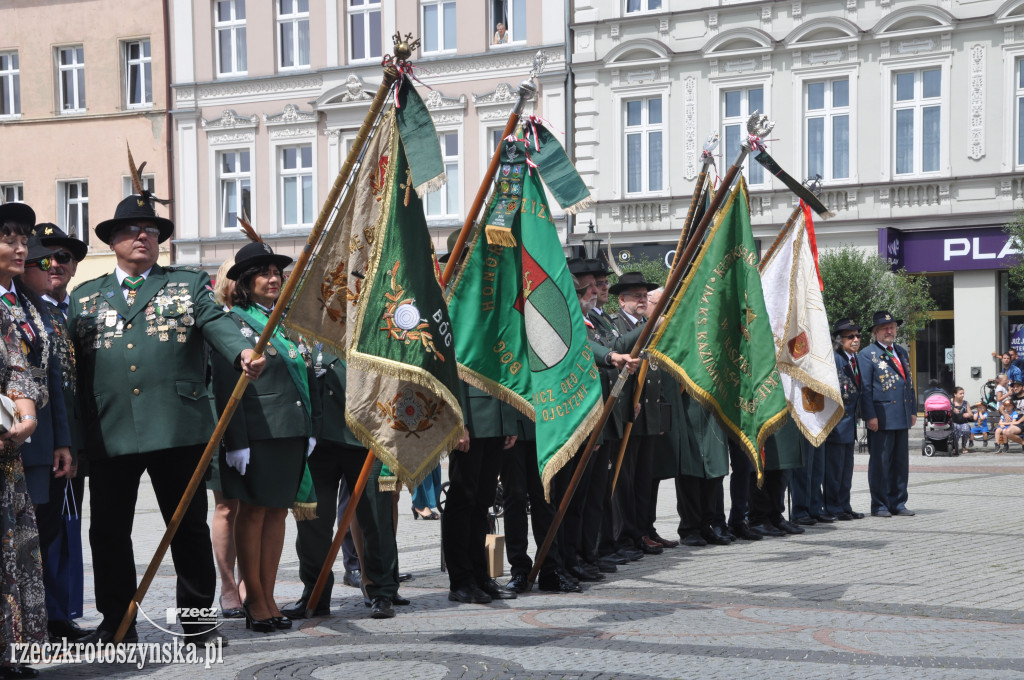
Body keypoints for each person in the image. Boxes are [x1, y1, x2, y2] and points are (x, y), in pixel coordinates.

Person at [69, 193, 264, 644]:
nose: (144, 237)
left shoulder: (187, 283)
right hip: (110, 429)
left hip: (177, 426)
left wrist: (244, 353)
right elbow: (74, 372)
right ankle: (117, 621)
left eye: (152, 232)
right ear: (113, 241)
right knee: (109, 533)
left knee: (188, 527)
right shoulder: (85, 297)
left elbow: (219, 325)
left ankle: (197, 621)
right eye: (133, 231)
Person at [210, 242, 320, 632]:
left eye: (277, 272)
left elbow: (305, 377)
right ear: (244, 281)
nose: (273, 279)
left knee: (277, 513)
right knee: (253, 512)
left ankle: (269, 595)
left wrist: (309, 428)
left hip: (289, 434)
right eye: (263, 273)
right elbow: (227, 385)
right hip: (256, 437)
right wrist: (236, 440)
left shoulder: (285, 322)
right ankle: (253, 598)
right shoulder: (232, 322)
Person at [280, 347, 405, 621]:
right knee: (312, 520)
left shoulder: (367, 318)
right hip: (318, 436)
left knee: (375, 517)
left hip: (364, 435)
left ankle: (381, 591)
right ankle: (315, 592)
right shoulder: (305, 318)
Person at [35, 222, 91, 640]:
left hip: (78, 439)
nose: (54, 263)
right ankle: (52, 616)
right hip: (43, 441)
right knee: (46, 530)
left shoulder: (81, 309)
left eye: (64, 257)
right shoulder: (29, 310)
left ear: (73, 267)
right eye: (46, 257)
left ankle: (64, 611)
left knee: (68, 525)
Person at [0, 203, 48, 679]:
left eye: (21, 239)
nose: (20, 248)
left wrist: (27, 415)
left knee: (12, 553)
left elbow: (19, 367)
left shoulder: (12, 309)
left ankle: (10, 650)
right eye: (9, 238)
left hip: (4, 454)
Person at [609, 272, 664, 558]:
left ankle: (644, 529)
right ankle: (625, 535)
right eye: (637, 296)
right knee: (625, 478)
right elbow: (619, 353)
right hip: (627, 410)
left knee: (645, 477)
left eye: (645, 296)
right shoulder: (616, 326)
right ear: (622, 300)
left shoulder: (646, 324)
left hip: (648, 412)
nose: (643, 300)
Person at [208, 259, 244, 619]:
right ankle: (228, 584)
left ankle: (253, 583)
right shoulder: (214, 317)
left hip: (262, 425)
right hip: (222, 421)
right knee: (227, 507)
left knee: (258, 508)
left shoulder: (264, 318)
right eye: (232, 275)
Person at [858, 310, 917, 518]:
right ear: (875, 332)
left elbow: (908, 383)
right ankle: (880, 504)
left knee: (901, 463)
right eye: (885, 328)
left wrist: (912, 409)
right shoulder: (867, 354)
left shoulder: (901, 351)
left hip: (900, 414)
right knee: (881, 463)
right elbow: (865, 389)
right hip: (881, 416)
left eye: (892, 327)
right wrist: (870, 416)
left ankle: (898, 502)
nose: (889, 331)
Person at [823, 319, 865, 521]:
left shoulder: (854, 360)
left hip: (849, 426)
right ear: (840, 340)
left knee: (846, 469)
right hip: (837, 425)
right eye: (851, 336)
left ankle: (844, 505)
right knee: (834, 470)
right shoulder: (836, 360)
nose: (856, 339)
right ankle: (832, 506)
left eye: (857, 336)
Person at [950, 387, 973, 452]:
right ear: (955, 394)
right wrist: (952, 409)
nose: (962, 395)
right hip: (953, 422)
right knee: (954, 429)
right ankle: (954, 447)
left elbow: (971, 414)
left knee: (966, 429)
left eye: (963, 393)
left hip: (963, 422)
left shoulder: (965, 403)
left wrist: (968, 415)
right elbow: (945, 411)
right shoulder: (950, 402)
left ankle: (963, 447)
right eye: (960, 394)